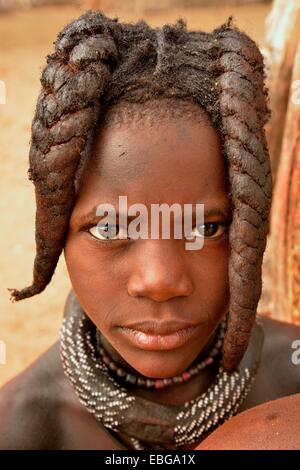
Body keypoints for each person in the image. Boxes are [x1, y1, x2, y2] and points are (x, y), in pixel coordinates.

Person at [0, 11, 299, 450]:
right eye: (109, 227)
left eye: (206, 227)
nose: (159, 280)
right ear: (56, 232)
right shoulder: (20, 431)